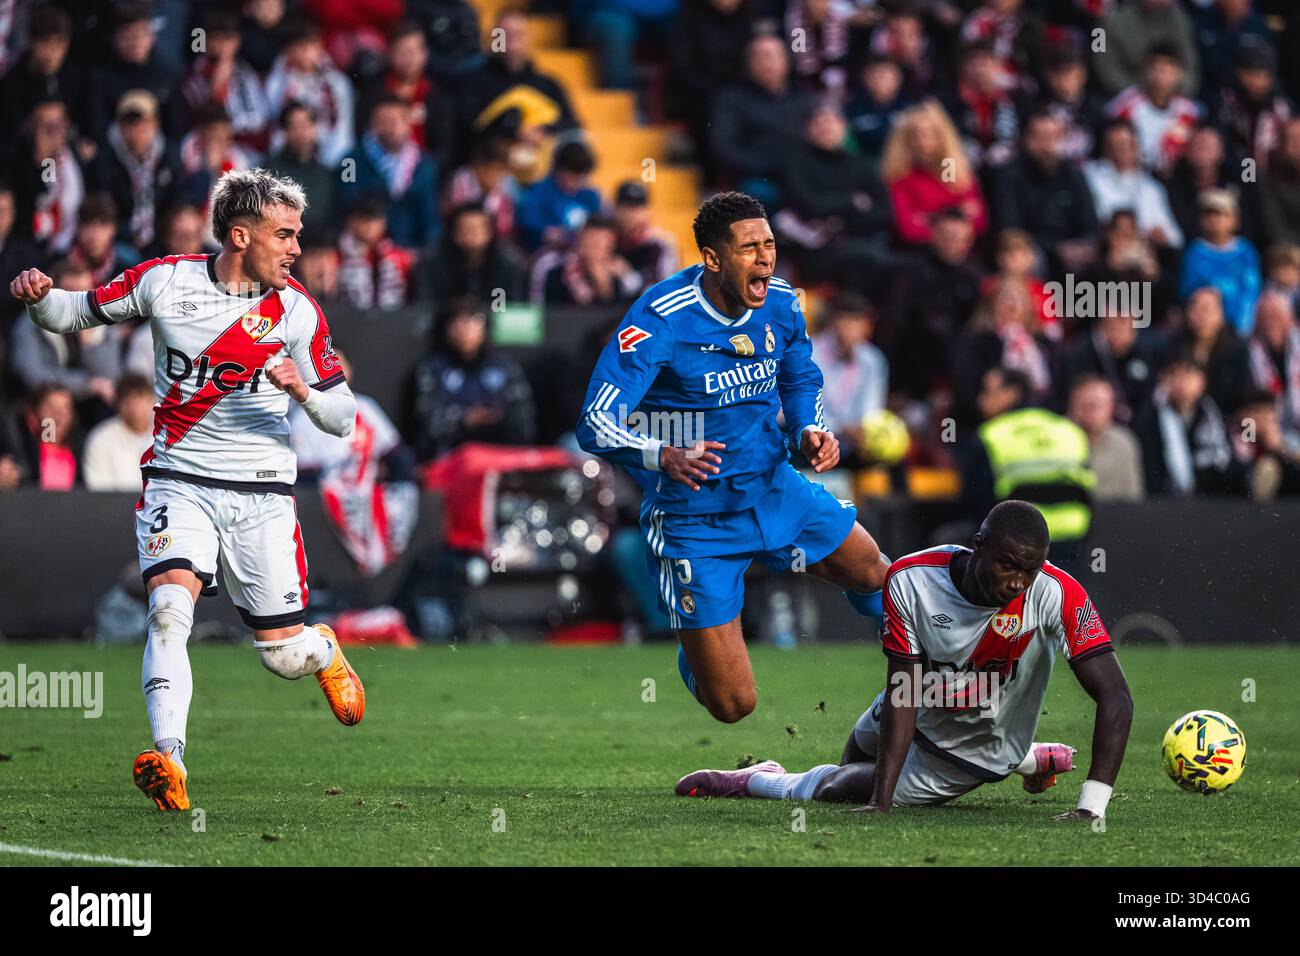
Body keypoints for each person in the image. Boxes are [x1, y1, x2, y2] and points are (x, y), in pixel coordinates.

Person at [10, 167, 364, 813]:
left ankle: (322, 650)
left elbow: (345, 418)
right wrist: (39, 295)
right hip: (180, 479)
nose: (295, 248)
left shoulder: (296, 312)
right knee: (170, 611)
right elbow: (74, 311)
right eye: (283, 234)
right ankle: (168, 758)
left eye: (297, 235)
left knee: (281, 657)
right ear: (239, 234)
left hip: (262, 495)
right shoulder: (164, 280)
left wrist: (303, 391)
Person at [575, 192, 890, 724]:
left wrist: (812, 427)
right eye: (750, 247)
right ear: (713, 258)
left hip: (773, 488)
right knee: (733, 705)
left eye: (769, 244)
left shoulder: (784, 300)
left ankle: (930, 682)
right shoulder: (660, 318)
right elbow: (595, 421)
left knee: (877, 576)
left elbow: (799, 375)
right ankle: (696, 644)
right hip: (695, 517)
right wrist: (661, 453)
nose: (766, 257)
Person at [677, 500, 1133, 823]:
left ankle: (760, 779)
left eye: (1029, 571)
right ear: (979, 545)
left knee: (837, 788)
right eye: (1008, 566)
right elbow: (904, 688)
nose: (1018, 583)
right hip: (921, 699)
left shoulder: (1058, 592)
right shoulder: (911, 579)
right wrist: (883, 799)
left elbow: (1115, 695)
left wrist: (1091, 806)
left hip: (975, 746)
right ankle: (1033, 760)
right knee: (853, 759)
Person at [407, 297, 536, 462]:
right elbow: (427, 423)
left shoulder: (505, 367)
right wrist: (464, 420)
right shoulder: (432, 369)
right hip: (452, 457)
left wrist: (497, 418)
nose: (464, 329)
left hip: (501, 454)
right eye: (457, 323)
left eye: (473, 321)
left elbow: (525, 421)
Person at [1179, 189, 1261, 336]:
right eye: (1209, 214)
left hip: (1241, 329)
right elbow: (1189, 293)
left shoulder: (1246, 252)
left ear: (1236, 220)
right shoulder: (1194, 252)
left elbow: (1251, 292)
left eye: (1222, 214)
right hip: (1204, 330)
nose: (1215, 220)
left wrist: (1243, 329)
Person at [1067, 373, 1145, 501]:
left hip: (1117, 518)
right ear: (1072, 406)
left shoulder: (1124, 442)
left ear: (1111, 407)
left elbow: (1133, 498)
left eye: (1098, 405)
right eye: (1087, 405)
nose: (1092, 413)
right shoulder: (1056, 441)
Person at [82, 373, 155, 491]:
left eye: (140, 397)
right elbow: (98, 489)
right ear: (118, 403)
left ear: (151, 400)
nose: (134, 406)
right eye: (128, 400)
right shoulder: (100, 438)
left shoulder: (166, 437)